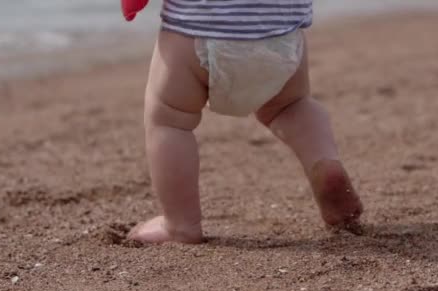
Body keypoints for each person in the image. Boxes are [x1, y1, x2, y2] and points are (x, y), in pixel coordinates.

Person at [126, 0, 364, 244]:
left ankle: (180, 225)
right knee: (292, 107)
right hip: (281, 36)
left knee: (169, 120)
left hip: (196, 30)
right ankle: (324, 162)